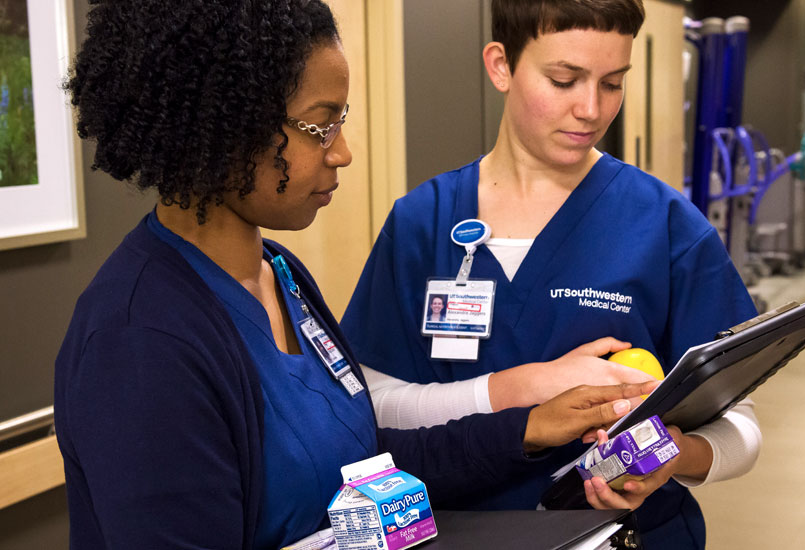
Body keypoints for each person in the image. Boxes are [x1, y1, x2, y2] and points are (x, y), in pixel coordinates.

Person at [52, 2, 659, 548]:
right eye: (322, 125)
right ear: (228, 125)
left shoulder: (281, 276)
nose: (342, 151)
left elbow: (363, 462)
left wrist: (528, 427)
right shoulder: (141, 341)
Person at [340, 0, 762, 547]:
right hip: (457, 530)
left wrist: (670, 455)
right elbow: (369, 407)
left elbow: (742, 431)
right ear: (500, 66)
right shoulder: (424, 221)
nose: (590, 109)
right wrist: (518, 391)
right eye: (564, 80)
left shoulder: (664, 225)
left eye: (613, 83)